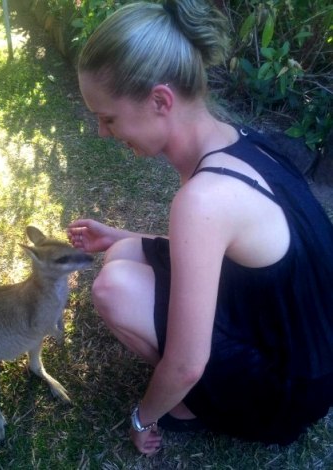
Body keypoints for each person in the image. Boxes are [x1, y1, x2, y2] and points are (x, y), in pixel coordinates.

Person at [67, 0, 333, 455]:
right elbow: (227, 258)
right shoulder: (237, 141)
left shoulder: (203, 198)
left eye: (107, 117)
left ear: (159, 100)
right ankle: (206, 390)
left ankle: (190, 408)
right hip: (302, 349)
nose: (103, 133)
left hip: (288, 392)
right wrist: (120, 237)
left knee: (115, 289)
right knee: (121, 257)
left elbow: (188, 363)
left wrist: (141, 416)